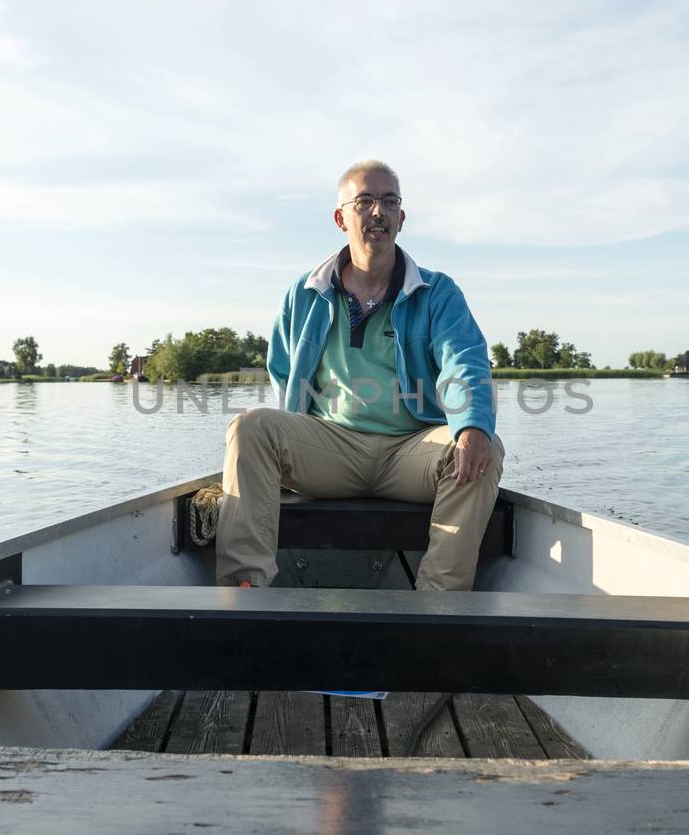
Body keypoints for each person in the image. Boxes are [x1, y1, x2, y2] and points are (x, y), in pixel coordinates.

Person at [215, 159, 503, 591]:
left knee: (483, 444)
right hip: (330, 447)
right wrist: (303, 422)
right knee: (250, 427)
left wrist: (472, 424)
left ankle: (439, 603)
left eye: (389, 201)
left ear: (401, 219)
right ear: (340, 218)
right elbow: (281, 366)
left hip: (411, 451)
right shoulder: (305, 293)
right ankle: (245, 589)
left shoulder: (438, 292)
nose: (377, 212)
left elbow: (464, 358)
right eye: (364, 201)